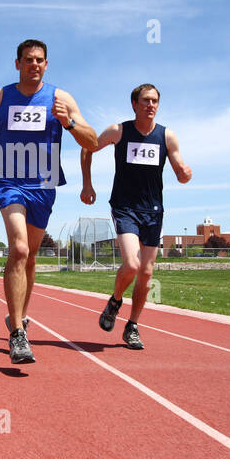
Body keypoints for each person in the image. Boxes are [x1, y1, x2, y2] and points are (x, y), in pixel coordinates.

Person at [0, 39, 96, 363]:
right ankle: (17, 334)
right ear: (17, 64)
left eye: (40, 60)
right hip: (7, 179)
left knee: (31, 256)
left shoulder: (60, 98)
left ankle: (20, 318)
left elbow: (92, 141)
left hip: (44, 183)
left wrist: (68, 122)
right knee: (20, 248)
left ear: (46, 64)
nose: (34, 65)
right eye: (28, 60)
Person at [80, 83, 191, 349]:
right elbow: (87, 147)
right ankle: (115, 301)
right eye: (145, 101)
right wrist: (87, 183)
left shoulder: (167, 136)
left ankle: (132, 326)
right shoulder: (119, 131)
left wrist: (185, 174)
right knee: (131, 264)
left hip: (153, 210)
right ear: (134, 104)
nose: (150, 105)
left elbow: (179, 168)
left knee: (147, 271)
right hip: (125, 206)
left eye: (154, 101)